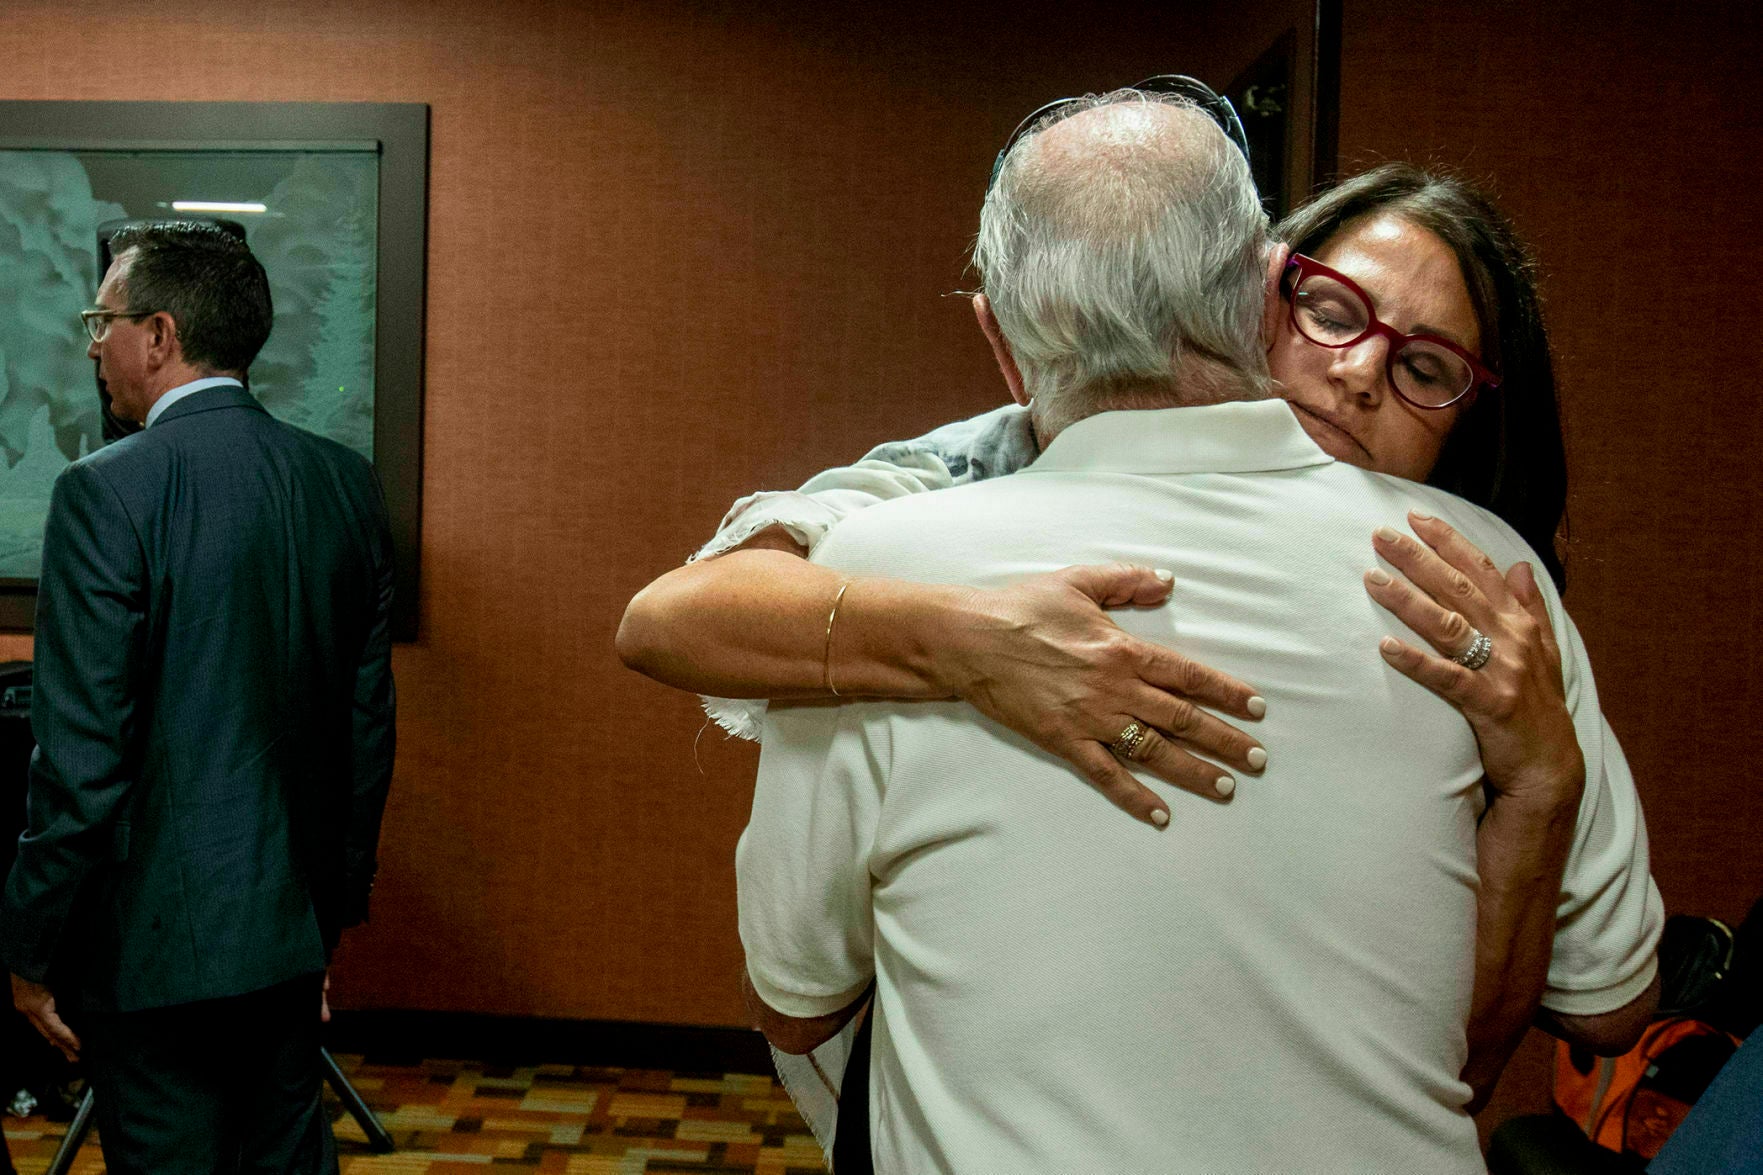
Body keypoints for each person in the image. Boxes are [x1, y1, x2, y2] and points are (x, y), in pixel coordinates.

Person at [644, 89, 1657, 1167]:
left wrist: (1542, 784)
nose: (1356, 373)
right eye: (1330, 312)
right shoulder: (929, 510)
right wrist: (954, 633)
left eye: (1421, 367)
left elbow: (794, 1001)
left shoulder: (1486, 610)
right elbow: (668, 615)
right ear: (1262, 287)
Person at [0, 220, 396, 1174]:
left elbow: (83, 761)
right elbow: (365, 728)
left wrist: (28, 946)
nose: (93, 343)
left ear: (160, 335)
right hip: (287, 932)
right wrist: (325, 920)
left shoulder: (106, 491)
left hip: (151, 947)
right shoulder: (343, 484)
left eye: (104, 319)